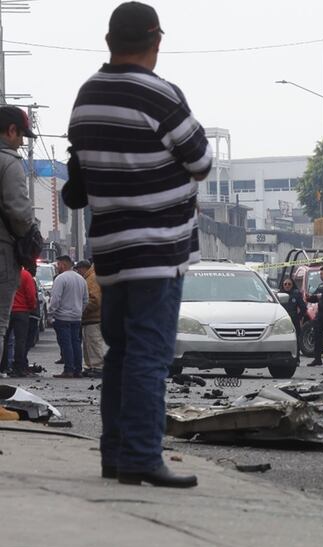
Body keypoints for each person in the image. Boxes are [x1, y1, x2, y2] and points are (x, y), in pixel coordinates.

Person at [68, 2, 212, 488]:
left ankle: (116, 455)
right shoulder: (159, 94)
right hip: (157, 249)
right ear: (156, 39)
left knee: (122, 353)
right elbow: (201, 159)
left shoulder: (86, 95)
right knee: (150, 354)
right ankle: (144, 456)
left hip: (111, 251)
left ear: (110, 41)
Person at [0, 106, 37, 369]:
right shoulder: (9, 162)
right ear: (11, 131)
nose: (22, 141)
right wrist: (29, 234)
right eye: (21, 135)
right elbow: (20, 214)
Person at [49, 255, 89, 378]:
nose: (57, 267)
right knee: (76, 344)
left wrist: (51, 313)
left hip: (62, 317)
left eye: (58, 264)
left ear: (63, 265)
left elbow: (55, 299)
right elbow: (86, 299)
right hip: (76, 317)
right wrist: (79, 311)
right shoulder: (81, 279)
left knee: (66, 344)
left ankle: (68, 370)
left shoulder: (60, 279)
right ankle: (78, 369)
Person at [3, 267, 36, 377]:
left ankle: (3, 366)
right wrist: (31, 307)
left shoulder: (4, 273)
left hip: (5, 310)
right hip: (22, 311)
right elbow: (31, 294)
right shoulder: (25, 275)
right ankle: (18, 368)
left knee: (4, 339)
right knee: (20, 340)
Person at [76, 259, 105, 378]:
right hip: (92, 317)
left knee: (94, 342)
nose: (78, 272)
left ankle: (99, 367)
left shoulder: (92, 278)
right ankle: (91, 366)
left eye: (78, 269)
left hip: (94, 317)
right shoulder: (90, 277)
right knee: (89, 343)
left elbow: (95, 299)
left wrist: (82, 309)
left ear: (84, 268)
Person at [279, 276, 307, 348]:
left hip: (293, 320)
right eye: (285, 284)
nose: (287, 286)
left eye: (289, 284)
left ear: (292, 285)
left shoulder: (296, 294)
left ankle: (296, 357)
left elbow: (303, 308)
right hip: (282, 321)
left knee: (295, 340)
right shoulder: (279, 295)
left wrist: (298, 317)